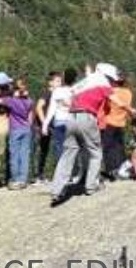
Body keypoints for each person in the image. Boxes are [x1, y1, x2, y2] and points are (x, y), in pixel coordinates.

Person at [50, 63, 119, 207]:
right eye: (112, 79)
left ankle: (57, 190)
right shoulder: (102, 81)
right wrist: (131, 110)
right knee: (95, 152)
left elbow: (69, 99)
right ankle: (91, 186)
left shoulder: (83, 83)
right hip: (87, 116)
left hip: (71, 117)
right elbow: (115, 99)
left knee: (68, 153)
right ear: (107, 75)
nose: (112, 82)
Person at [100, 73, 134, 179]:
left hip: (109, 121)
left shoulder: (111, 91)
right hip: (121, 122)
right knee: (119, 147)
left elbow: (105, 105)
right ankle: (121, 168)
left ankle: (110, 170)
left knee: (107, 148)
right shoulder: (128, 92)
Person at [6, 77, 35, 189]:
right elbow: (30, 117)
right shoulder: (29, 101)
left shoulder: (12, 101)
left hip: (15, 129)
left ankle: (15, 179)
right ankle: (23, 179)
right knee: (24, 155)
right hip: (26, 129)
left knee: (14, 155)